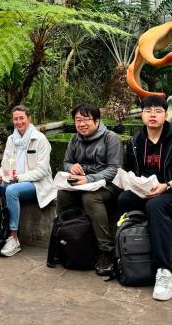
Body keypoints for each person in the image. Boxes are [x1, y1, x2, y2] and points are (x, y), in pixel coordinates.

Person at [117, 95, 172, 301]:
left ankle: (163, 270)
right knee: (123, 199)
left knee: (155, 206)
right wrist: (132, 182)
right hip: (145, 190)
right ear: (142, 115)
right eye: (148, 111)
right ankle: (130, 254)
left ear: (166, 114)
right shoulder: (136, 141)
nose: (153, 115)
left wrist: (166, 186)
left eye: (158, 111)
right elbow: (129, 170)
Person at [56, 103, 122, 276]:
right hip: (83, 184)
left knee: (90, 198)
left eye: (86, 120)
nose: (82, 124)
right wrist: (71, 168)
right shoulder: (74, 139)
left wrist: (90, 178)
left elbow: (114, 169)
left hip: (109, 185)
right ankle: (62, 240)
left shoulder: (110, 138)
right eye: (78, 120)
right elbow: (66, 162)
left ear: (97, 121)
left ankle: (106, 252)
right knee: (63, 194)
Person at [0, 105, 55, 257]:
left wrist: (19, 178)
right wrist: (0, 175)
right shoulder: (11, 139)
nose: (19, 122)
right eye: (16, 119)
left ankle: (13, 238)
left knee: (11, 190)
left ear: (29, 119)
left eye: (22, 118)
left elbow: (42, 171)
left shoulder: (40, 139)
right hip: (13, 181)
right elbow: (5, 165)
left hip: (35, 184)